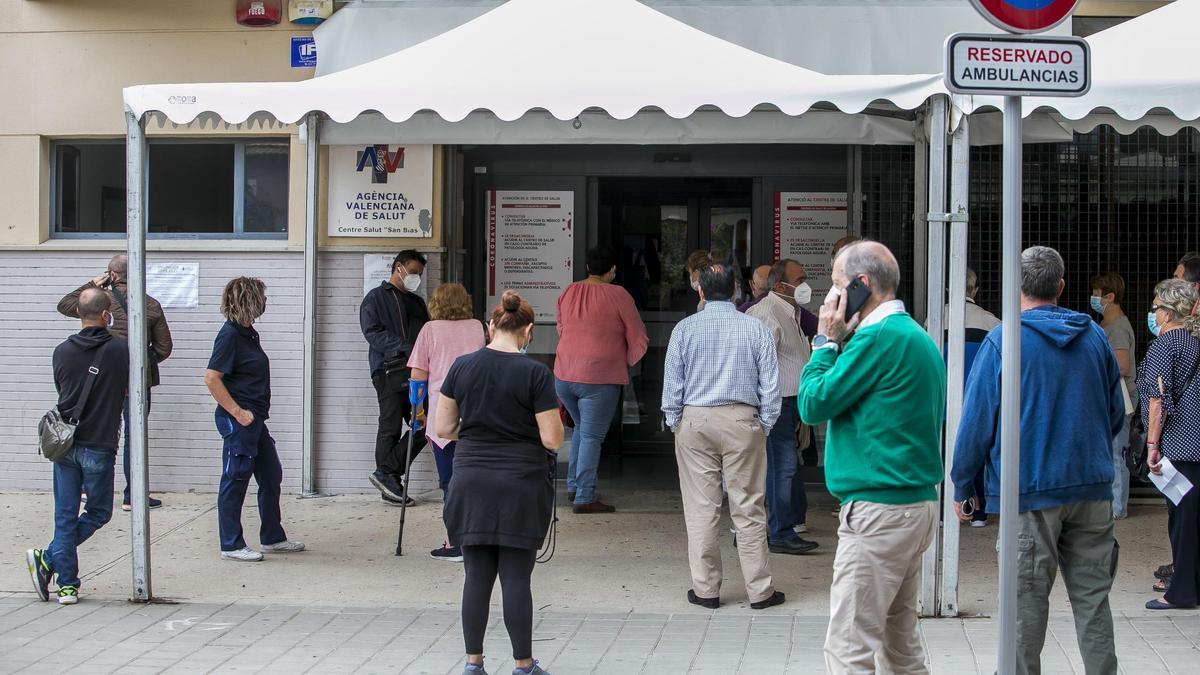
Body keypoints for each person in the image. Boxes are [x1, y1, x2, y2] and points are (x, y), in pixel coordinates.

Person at [952, 246, 1123, 674]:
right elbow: (1115, 413)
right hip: (1092, 488)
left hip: (1027, 491)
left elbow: (976, 423)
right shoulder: (1095, 337)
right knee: (1093, 602)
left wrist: (961, 485)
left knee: (1023, 608)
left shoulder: (1003, 341)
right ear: (1061, 287)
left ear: (1016, 288)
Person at [797, 240, 945, 674]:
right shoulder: (914, 336)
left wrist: (824, 343)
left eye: (838, 286)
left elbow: (812, 404)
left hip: (879, 512)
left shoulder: (878, 339)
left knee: (848, 646)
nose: (831, 298)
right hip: (913, 505)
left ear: (862, 286)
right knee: (900, 645)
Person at [437, 290, 562, 675]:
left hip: (470, 481)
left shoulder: (462, 367)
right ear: (527, 331)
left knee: (475, 576)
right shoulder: (535, 374)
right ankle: (523, 665)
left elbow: (442, 427)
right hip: (520, 486)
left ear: (491, 326)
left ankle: (473, 663)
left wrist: (476, 434)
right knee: (515, 578)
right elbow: (553, 439)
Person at [662, 262, 785, 610]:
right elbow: (770, 386)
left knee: (701, 509)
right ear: (735, 291)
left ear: (699, 290)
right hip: (743, 421)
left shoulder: (684, 330)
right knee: (748, 507)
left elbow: (673, 385)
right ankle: (760, 591)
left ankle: (706, 591)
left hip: (695, 421)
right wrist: (765, 423)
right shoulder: (754, 328)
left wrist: (675, 421)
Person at [27, 288, 129, 605]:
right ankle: (49, 559)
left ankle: (67, 586)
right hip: (99, 444)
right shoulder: (120, 351)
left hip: (65, 444)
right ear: (105, 314)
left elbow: (64, 390)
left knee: (65, 515)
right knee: (98, 512)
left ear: (77, 314)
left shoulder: (61, 351)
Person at [57, 253, 173, 511]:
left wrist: (91, 284)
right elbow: (164, 348)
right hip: (137, 382)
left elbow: (65, 304)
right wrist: (139, 361)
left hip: (102, 380)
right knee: (135, 437)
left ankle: (88, 489)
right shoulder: (151, 305)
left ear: (113, 274)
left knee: (95, 429)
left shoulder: (100, 300)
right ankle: (134, 496)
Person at [204, 277, 305, 562]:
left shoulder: (248, 333)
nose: (265, 302)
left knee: (271, 475)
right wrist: (238, 413)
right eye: (262, 297)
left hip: (255, 420)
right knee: (235, 478)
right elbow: (212, 378)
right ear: (249, 300)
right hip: (240, 421)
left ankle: (272, 537)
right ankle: (231, 544)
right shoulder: (230, 335)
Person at [554, 246, 649, 514]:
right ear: (612, 270)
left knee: (582, 431)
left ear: (587, 268)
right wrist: (625, 360)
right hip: (599, 376)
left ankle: (574, 485)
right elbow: (637, 334)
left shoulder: (569, 291)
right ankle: (585, 496)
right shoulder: (618, 294)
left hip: (564, 374)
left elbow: (562, 328)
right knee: (593, 436)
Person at [407, 283, 487, 562]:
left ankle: (455, 541)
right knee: (476, 477)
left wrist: (417, 415)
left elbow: (418, 378)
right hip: (478, 412)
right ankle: (478, 536)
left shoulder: (430, 330)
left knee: (450, 480)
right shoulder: (478, 327)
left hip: (444, 414)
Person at [747, 259, 818, 552]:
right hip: (777, 404)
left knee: (787, 467)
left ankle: (784, 528)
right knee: (782, 468)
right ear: (780, 286)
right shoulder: (766, 314)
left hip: (792, 402)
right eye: (799, 279)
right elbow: (758, 365)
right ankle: (779, 533)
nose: (805, 285)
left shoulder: (791, 311)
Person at [1141, 278, 1200, 610]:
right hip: (1198, 440)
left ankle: (1180, 593)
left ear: (1166, 311)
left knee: (1181, 519)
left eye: (1156, 307)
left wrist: (1152, 444)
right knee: (1194, 517)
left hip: (1178, 444)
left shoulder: (1166, 345)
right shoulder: (1195, 341)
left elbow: (1157, 400)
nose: (1154, 313)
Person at [360, 250, 431, 506]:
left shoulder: (417, 302)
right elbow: (372, 333)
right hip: (388, 370)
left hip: (417, 372)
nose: (416, 277)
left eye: (420, 274)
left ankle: (386, 473)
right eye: (413, 272)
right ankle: (390, 482)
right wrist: (405, 346)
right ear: (399, 267)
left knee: (425, 425)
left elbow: (427, 334)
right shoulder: (375, 298)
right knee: (389, 427)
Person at [1090, 272, 1137, 520]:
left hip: (1119, 395)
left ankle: (1118, 507)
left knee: (1118, 450)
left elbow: (1121, 366)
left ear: (1110, 297)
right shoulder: (1106, 325)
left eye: (1097, 295)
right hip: (1110, 395)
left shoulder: (1117, 327)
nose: (1094, 299)